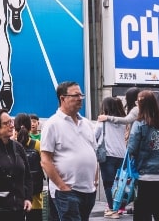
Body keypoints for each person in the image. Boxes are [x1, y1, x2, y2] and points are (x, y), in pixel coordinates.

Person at [40, 81, 98, 221]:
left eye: (81, 95)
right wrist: (61, 185)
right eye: (75, 95)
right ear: (62, 98)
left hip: (89, 189)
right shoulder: (52, 124)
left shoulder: (86, 123)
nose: (80, 98)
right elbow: (45, 160)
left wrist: (95, 180)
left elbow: (93, 153)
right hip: (67, 191)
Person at [126, 91, 159, 221]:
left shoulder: (139, 125)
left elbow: (131, 150)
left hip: (145, 177)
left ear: (140, 105)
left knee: (142, 215)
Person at [95, 97, 127, 218]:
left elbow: (94, 136)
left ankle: (113, 210)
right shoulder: (122, 122)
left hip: (107, 155)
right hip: (122, 155)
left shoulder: (102, 121)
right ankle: (119, 208)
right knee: (119, 184)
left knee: (109, 184)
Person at [14, 112, 43, 221]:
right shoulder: (37, 144)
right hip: (35, 198)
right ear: (30, 127)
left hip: (15, 199)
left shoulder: (10, 145)